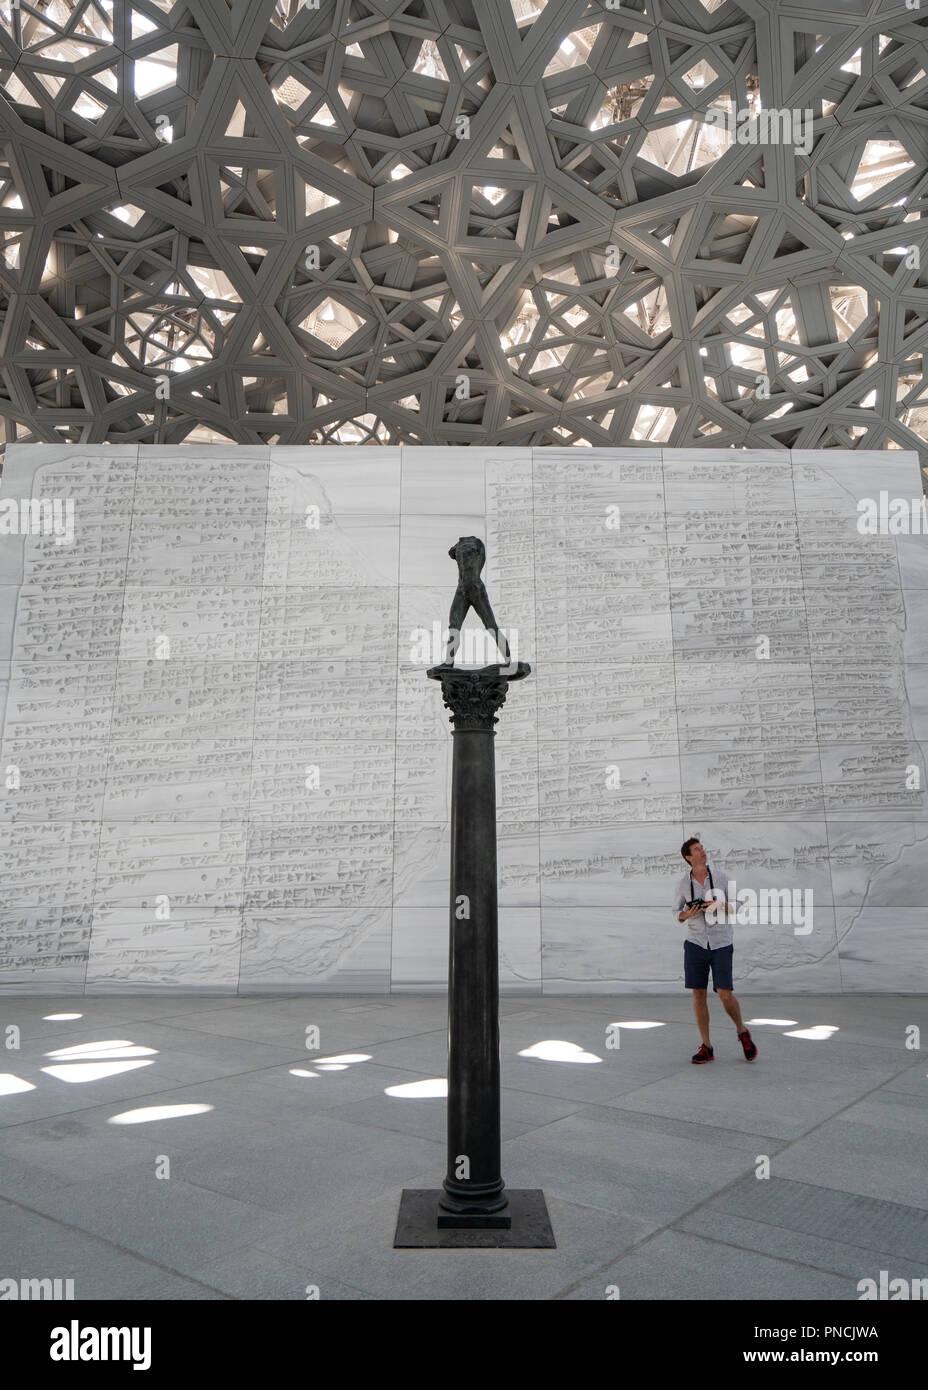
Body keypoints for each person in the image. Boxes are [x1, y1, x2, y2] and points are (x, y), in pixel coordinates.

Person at [672, 837, 757, 1064]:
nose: (703, 852)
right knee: (698, 994)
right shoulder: (683, 883)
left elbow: (739, 902)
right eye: (697, 850)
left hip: (721, 942)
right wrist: (688, 913)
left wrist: (723, 905)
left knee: (724, 992)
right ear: (688, 857)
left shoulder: (721, 877)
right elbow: (676, 913)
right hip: (696, 943)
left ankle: (742, 1031)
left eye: (702, 848)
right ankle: (707, 1046)